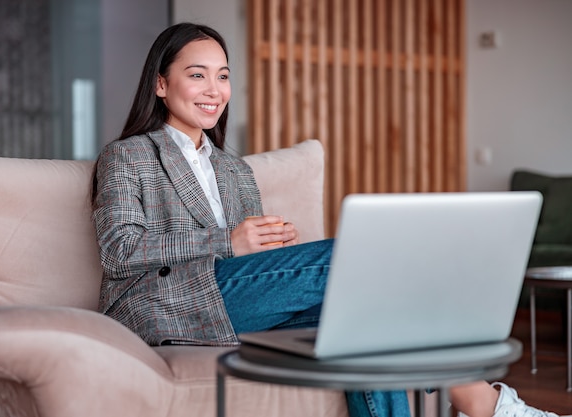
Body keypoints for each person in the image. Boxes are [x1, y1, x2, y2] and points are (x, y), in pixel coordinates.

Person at [90, 22, 561, 417]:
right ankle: (485, 404)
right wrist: (228, 241)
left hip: (236, 304)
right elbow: (119, 251)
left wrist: (269, 248)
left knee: (369, 321)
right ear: (161, 83)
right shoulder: (127, 156)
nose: (215, 91)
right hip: (158, 305)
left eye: (223, 76)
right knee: (364, 259)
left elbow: (248, 265)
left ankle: (479, 401)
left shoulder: (235, 170)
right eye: (198, 75)